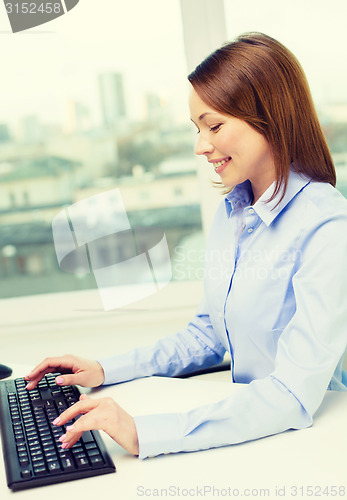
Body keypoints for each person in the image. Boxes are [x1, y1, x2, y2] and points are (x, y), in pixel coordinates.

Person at [25, 32, 347, 460]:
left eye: (214, 125)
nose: (201, 146)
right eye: (197, 129)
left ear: (269, 116)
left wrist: (144, 433)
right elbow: (210, 335)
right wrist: (104, 369)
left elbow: (291, 393)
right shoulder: (234, 212)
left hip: (308, 442)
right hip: (247, 430)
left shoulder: (327, 227)